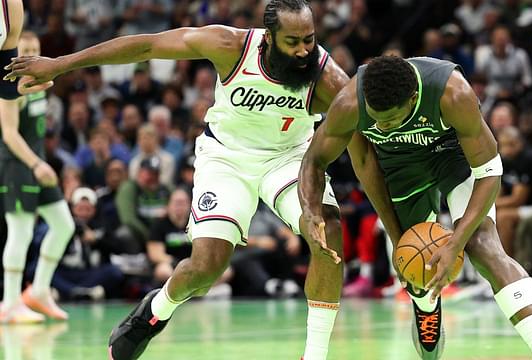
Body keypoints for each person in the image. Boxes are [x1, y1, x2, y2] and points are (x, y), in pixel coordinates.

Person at [6, 1, 349, 359]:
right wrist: (61, 64)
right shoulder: (229, 46)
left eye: (308, 39)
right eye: (292, 41)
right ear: (268, 39)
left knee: (328, 232)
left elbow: (359, 141)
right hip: (227, 158)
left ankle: (315, 354)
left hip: (289, 158)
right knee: (205, 268)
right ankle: (155, 312)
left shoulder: (326, 77)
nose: (303, 50)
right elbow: (148, 45)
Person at [298, 55, 532, 360]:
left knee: (483, 246)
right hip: (400, 166)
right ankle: (426, 306)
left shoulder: (453, 92)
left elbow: (489, 173)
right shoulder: (349, 104)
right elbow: (327, 161)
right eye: (377, 119)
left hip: (454, 155)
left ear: (412, 99)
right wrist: (313, 212)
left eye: (391, 120)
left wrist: (456, 243)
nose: (382, 126)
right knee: (415, 266)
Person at [0, 10, 74, 324]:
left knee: (64, 225)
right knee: (21, 232)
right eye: (24, 51)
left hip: (36, 164)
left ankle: (39, 291)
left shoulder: (41, 81)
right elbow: (9, 133)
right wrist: (38, 164)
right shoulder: (10, 84)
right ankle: (10, 302)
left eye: (33, 51)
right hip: (17, 165)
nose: (29, 56)